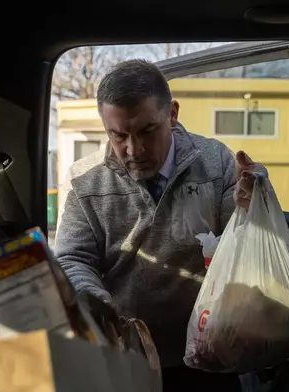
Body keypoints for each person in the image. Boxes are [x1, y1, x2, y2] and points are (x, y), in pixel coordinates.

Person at [55, 59, 266, 392]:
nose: (133, 149)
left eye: (147, 131)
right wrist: (98, 305)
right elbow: (73, 258)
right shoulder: (85, 181)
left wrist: (253, 208)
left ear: (173, 114)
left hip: (208, 352)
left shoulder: (215, 162)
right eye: (118, 135)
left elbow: (239, 250)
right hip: (127, 358)